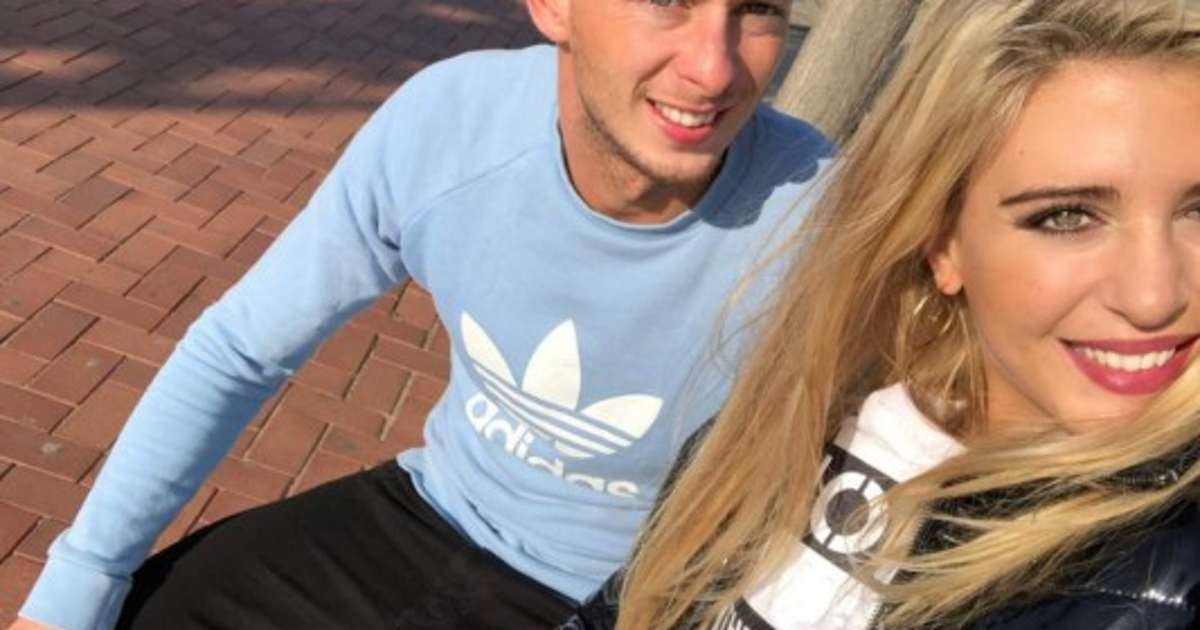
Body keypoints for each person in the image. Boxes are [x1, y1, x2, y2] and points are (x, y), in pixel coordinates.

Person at [11, 1, 834, 629]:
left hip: (632, 596)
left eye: (757, 9)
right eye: (666, 0)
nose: (714, 69)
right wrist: (75, 587)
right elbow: (238, 351)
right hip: (429, 509)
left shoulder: (830, 220)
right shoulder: (450, 122)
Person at [564, 0, 1200, 628]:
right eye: (1066, 217)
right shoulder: (819, 406)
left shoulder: (1165, 559)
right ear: (943, 243)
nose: (1153, 297)